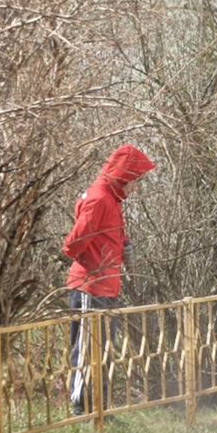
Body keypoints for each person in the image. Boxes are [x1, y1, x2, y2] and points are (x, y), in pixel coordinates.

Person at [63, 143, 157, 414]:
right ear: (124, 176)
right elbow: (74, 243)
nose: (136, 188)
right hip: (89, 286)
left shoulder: (111, 200)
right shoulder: (100, 199)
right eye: (136, 181)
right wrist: (92, 258)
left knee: (103, 351)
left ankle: (99, 409)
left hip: (105, 286)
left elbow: (111, 233)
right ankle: (80, 407)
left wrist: (124, 244)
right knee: (85, 349)